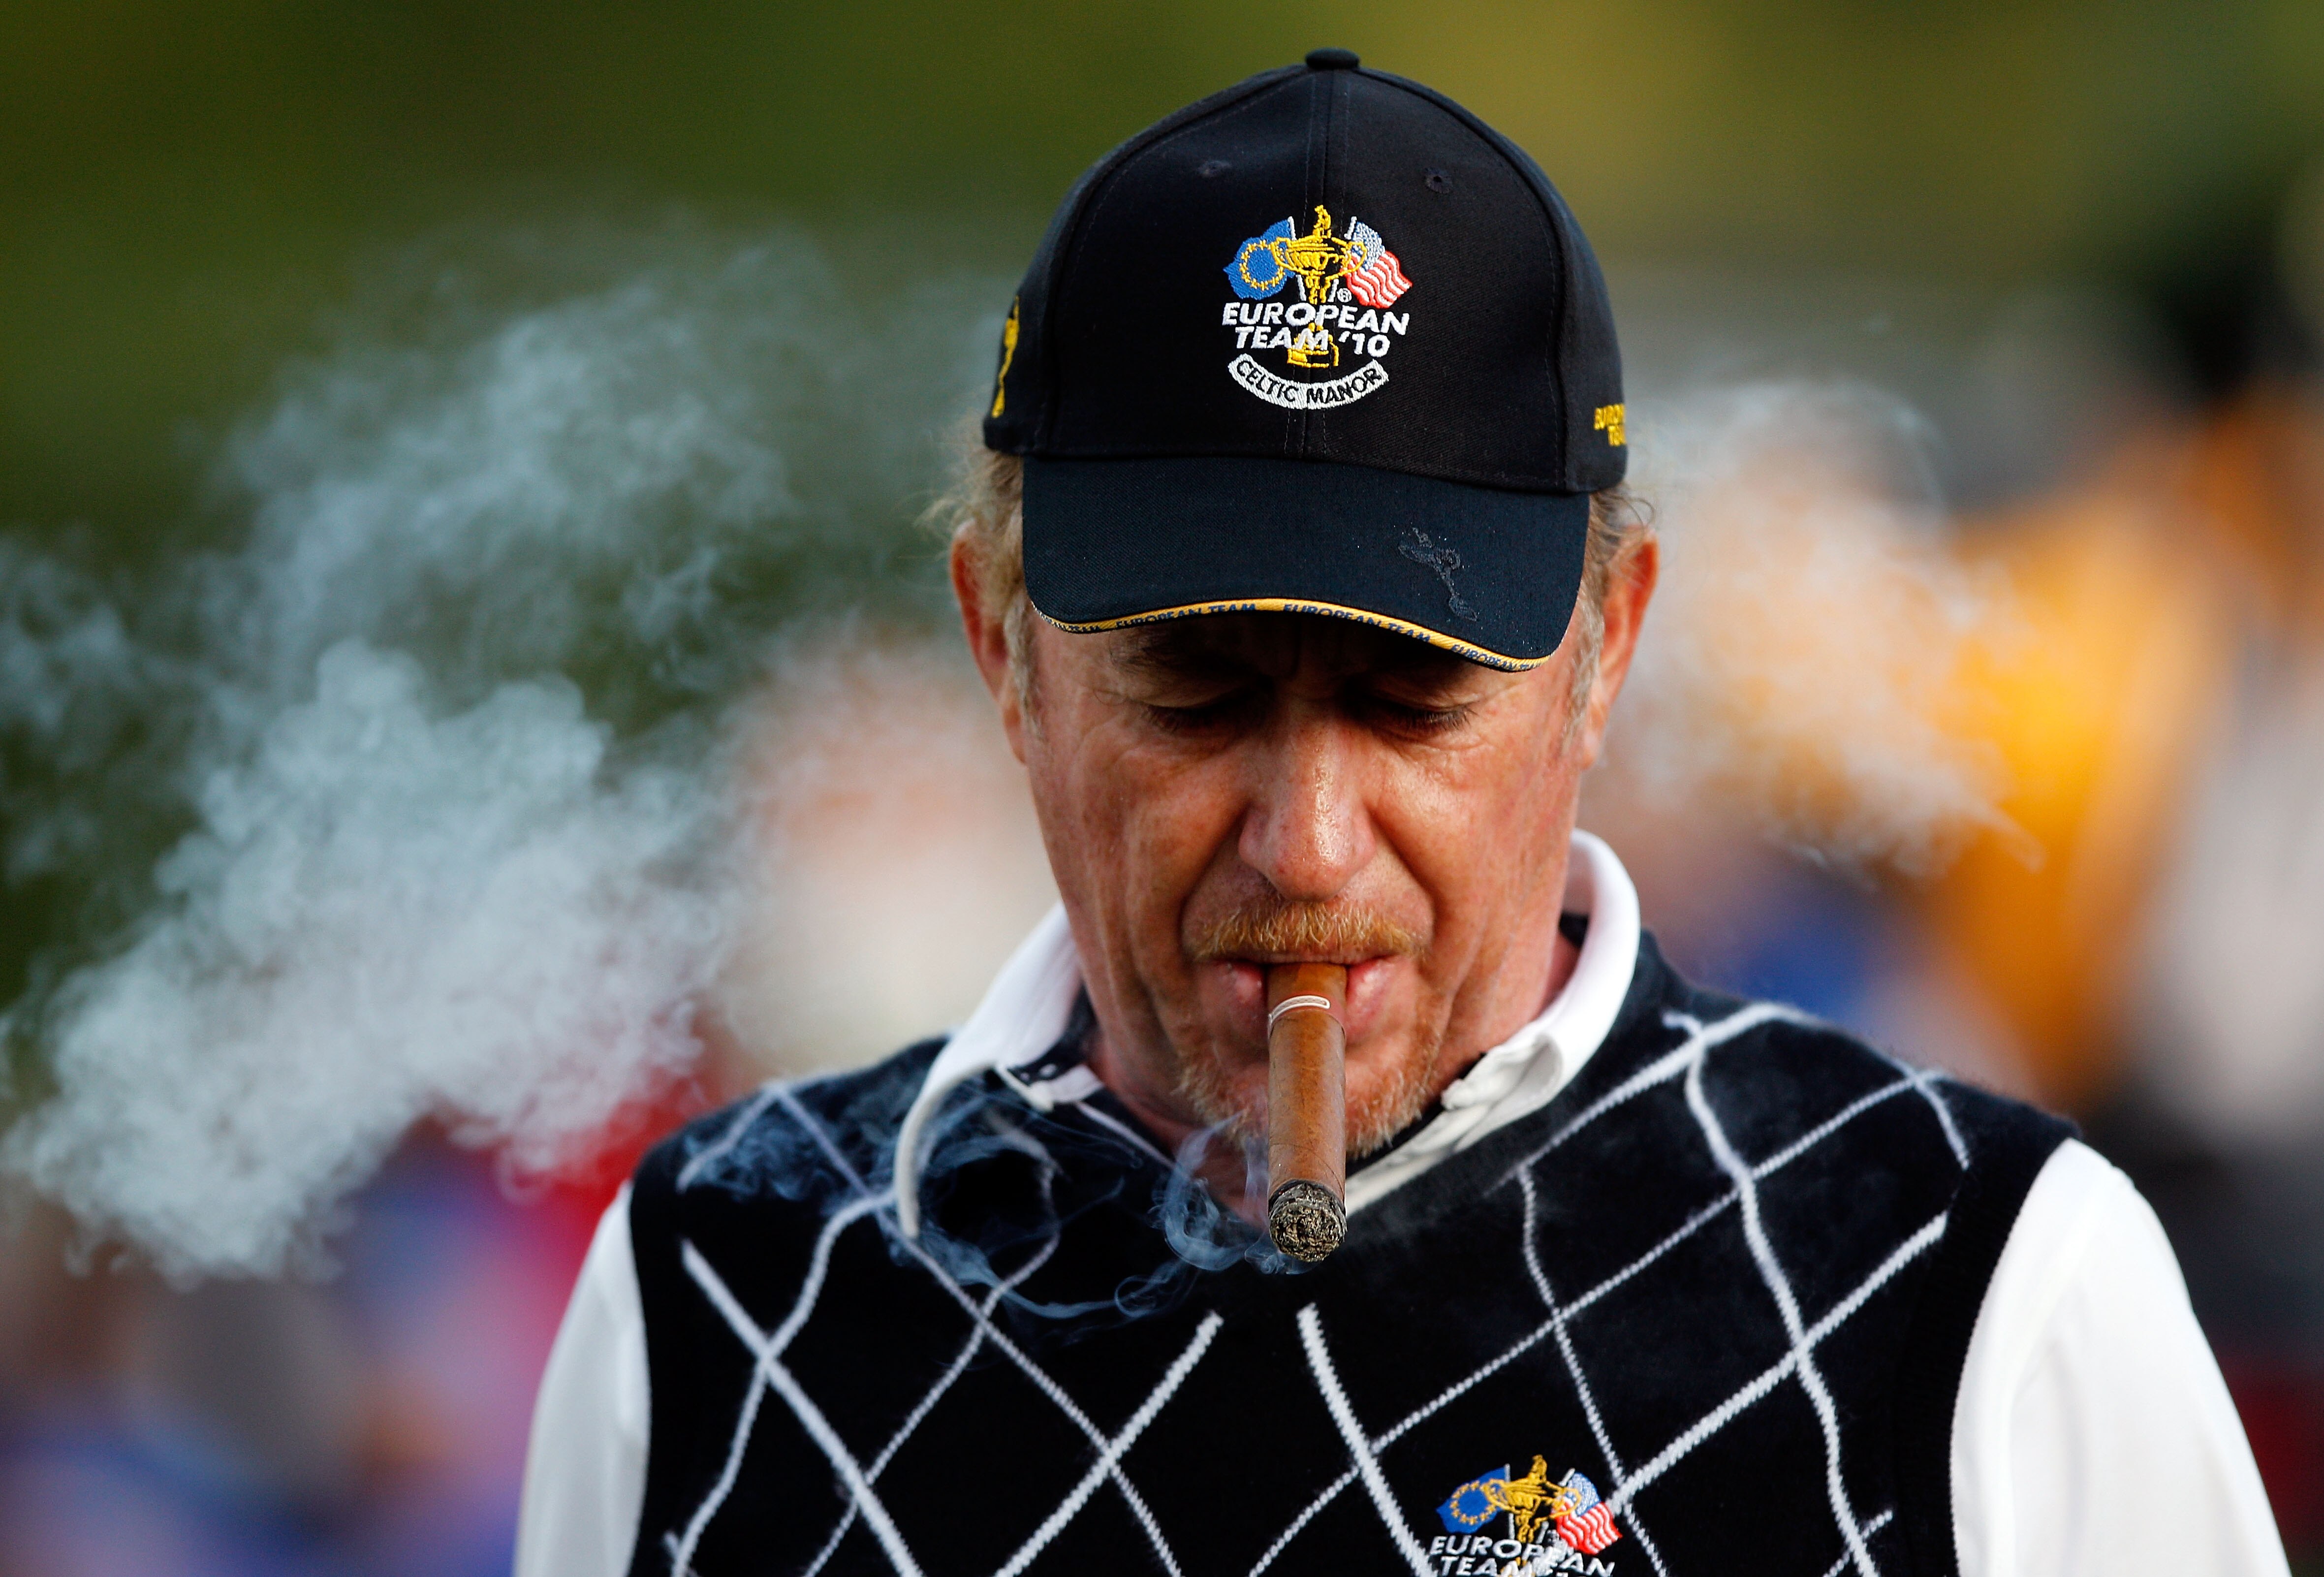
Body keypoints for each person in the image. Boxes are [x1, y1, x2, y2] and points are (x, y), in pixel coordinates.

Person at [516, 51, 2289, 1577]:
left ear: (1605, 652)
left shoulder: (1971, 1283)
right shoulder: (720, 1286)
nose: (1303, 841)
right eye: (1193, 692)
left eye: (1414, 697)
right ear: (1001, 646)